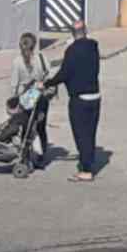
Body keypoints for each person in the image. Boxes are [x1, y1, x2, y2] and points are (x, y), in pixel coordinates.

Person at [44, 20, 103, 182]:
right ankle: (88, 161)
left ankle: (86, 169)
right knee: (90, 132)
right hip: (95, 96)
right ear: (86, 31)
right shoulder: (93, 47)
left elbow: (64, 74)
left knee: (81, 134)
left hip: (80, 99)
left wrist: (47, 83)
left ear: (72, 33)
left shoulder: (72, 50)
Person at [10, 32, 53, 168]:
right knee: (41, 127)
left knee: (25, 127)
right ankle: (42, 156)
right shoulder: (41, 57)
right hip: (40, 97)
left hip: (25, 99)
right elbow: (50, 74)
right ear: (34, 45)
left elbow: (14, 84)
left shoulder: (17, 61)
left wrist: (14, 100)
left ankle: (25, 157)